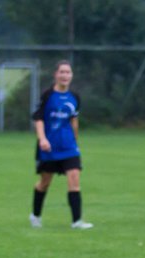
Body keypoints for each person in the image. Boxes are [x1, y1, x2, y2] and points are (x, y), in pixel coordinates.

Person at [30, 60, 92, 230]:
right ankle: (35, 215)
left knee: (74, 178)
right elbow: (39, 119)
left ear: (71, 76)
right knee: (44, 182)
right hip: (49, 148)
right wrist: (42, 139)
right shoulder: (47, 95)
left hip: (69, 147)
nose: (65, 75)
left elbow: (74, 119)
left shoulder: (74, 97)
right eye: (62, 72)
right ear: (55, 75)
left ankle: (77, 221)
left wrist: (75, 141)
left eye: (68, 72)